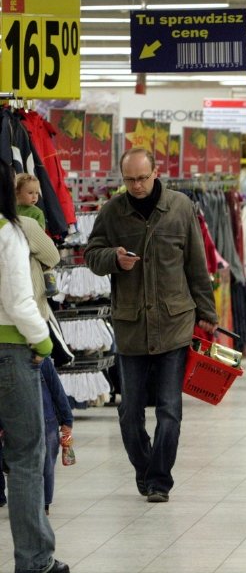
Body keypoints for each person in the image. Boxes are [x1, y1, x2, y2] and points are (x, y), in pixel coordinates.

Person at [85, 147, 218, 504]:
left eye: (142, 178)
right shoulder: (113, 211)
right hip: (131, 325)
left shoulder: (180, 207)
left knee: (169, 409)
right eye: (129, 179)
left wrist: (208, 312)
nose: (137, 185)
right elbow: (91, 254)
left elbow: (196, 263)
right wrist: (112, 258)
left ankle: (159, 480)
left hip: (174, 321)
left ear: (156, 172)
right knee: (129, 413)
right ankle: (144, 469)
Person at [0, 160, 70, 573]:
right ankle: (35, 560)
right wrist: (43, 341)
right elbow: (19, 300)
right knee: (25, 457)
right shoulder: (9, 231)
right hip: (11, 350)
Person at [40, 358, 73, 516]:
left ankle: (44, 503)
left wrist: (67, 420)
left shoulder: (43, 361)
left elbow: (57, 389)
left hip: (47, 420)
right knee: (44, 464)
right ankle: (39, 503)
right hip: (45, 419)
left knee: (46, 464)